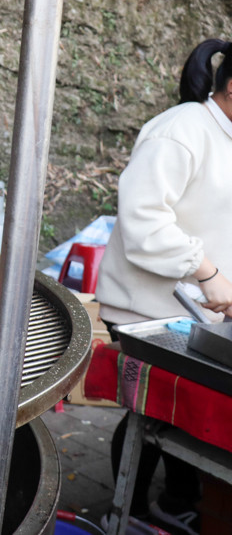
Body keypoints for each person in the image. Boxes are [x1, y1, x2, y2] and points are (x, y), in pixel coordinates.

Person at [96, 38, 232, 535]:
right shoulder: (180, 131)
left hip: (198, 306)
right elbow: (144, 221)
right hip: (145, 309)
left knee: (180, 408)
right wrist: (208, 271)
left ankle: (176, 501)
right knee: (148, 409)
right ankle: (126, 513)